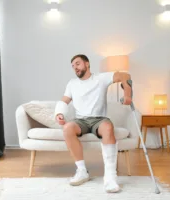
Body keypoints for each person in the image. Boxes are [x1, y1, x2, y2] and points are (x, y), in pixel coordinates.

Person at [54, 54, 132, 193]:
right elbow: (64, 100)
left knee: (108, 127)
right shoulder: (72, 83)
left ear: (87, 64)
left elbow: (125, 76)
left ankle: (110, 177)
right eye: (73, 66)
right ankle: (82, 171)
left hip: (99, 119)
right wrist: (59, 113)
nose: (75, 68)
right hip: (80, 120)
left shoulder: (101, 78)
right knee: (67, 128)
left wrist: (127, 94)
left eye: (77, 64)